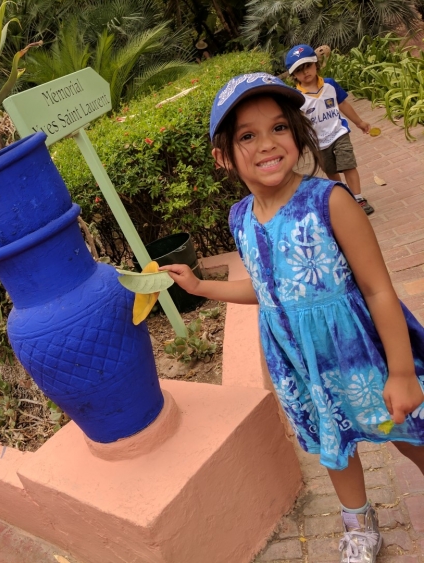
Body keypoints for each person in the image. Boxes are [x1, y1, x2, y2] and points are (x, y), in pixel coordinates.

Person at [161, 73, 424, 563]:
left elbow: (378, 289)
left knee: (409, 431)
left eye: (279, 127)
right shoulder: (240, 218)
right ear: (223, 156)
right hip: (302, 366)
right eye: (247, 135)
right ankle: (359, 526)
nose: (267, 144)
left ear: (297, 134)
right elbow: (267, 290)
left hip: (362, 357)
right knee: (335, 446)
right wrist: (200, 287)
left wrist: (403, 371)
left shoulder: (330, 201)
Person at [286, 44, 375, 215]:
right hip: (317, 142)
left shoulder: (330, 85)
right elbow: (295, 122)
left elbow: (343, 104)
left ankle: (358, 197)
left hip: (339, 133)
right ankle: (344, 197)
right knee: (331, 171)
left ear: (316, 64)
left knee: (348, 164)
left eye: (308, 66)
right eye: (299, 70)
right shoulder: (296, 97)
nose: (305, 72)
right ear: (293, 75)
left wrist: (359, 122)